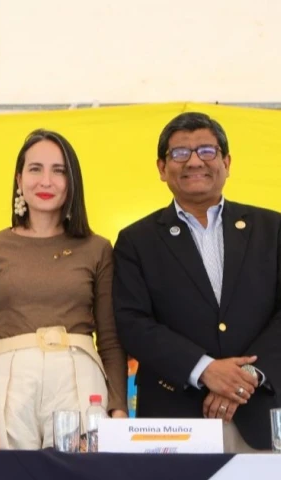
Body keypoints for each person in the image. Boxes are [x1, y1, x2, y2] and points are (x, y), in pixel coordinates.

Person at [113, 112, 281, 453]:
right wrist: (204, 370)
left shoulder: (272, 229)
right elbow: (132, 323)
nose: (193, 161)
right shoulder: (136, 241)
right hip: (174, 422)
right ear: (162, 168)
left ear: (226, 162)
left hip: (264, 416)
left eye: (206, 151)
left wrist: (246, 378)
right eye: (179, 153)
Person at [0, 129, 128, 451]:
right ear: (19, 178)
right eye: (35, 169)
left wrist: (118, 409)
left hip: (80, 379)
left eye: (59, 170)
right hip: (9, 380)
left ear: (72, 181)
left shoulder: (97, 248)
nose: (46, 181)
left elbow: (110, 338)